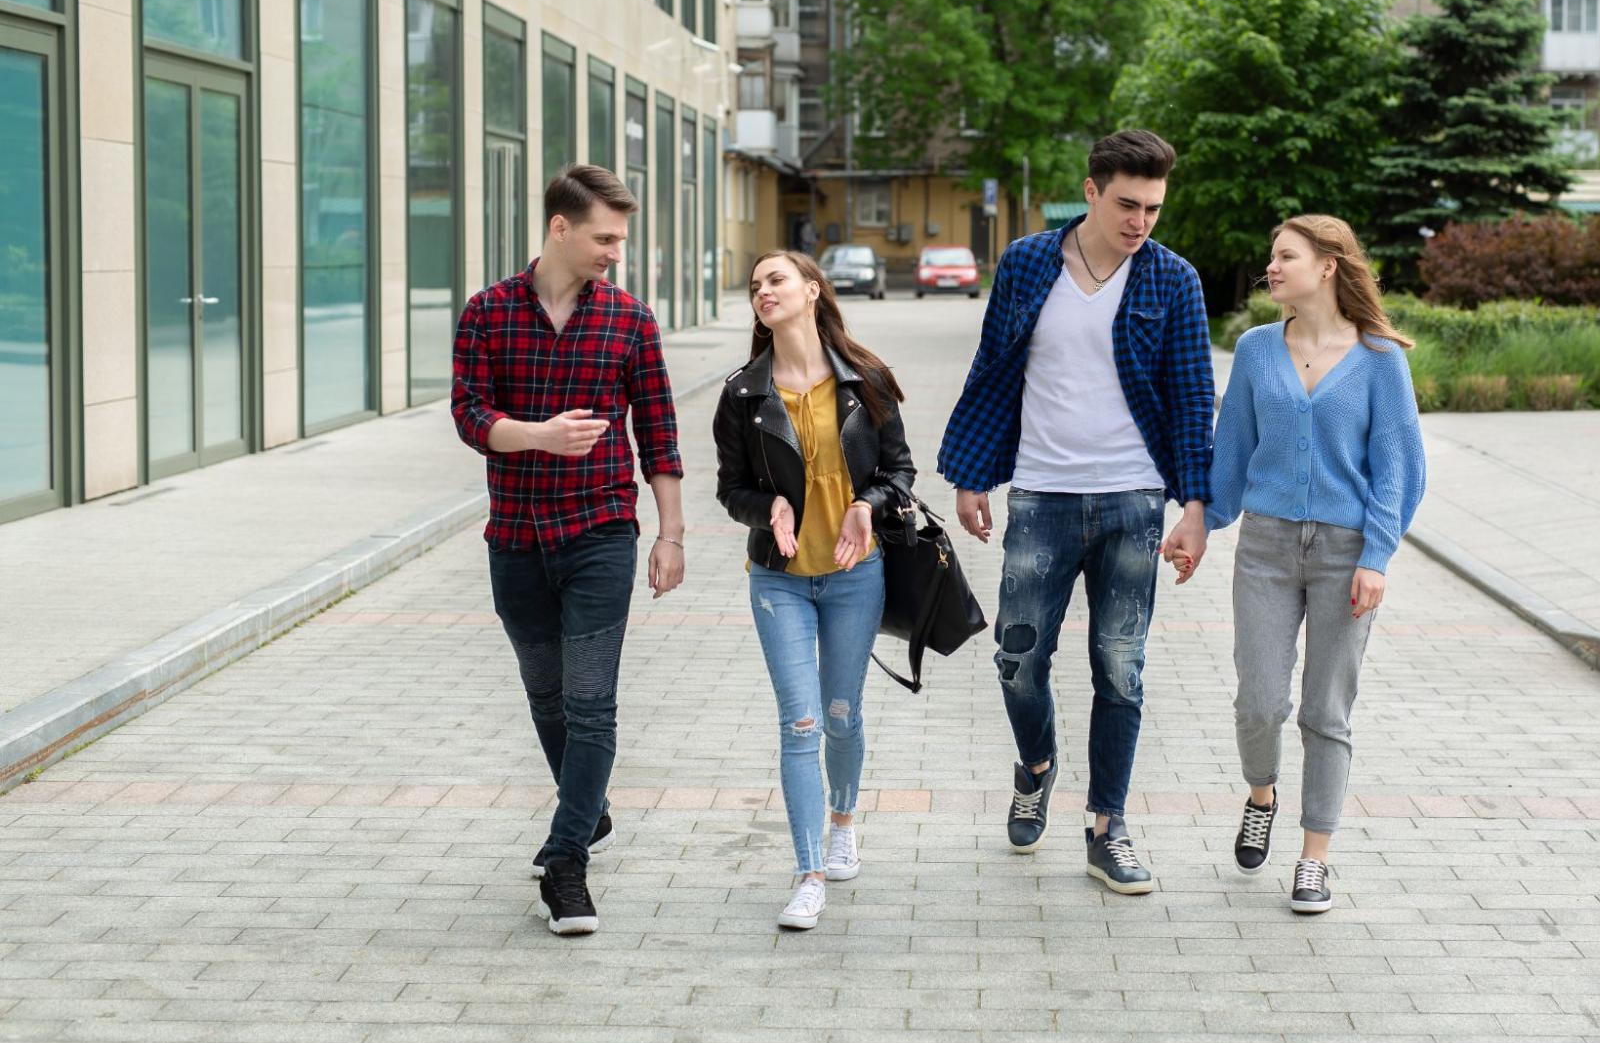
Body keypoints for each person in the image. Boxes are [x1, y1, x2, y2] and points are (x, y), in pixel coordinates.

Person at [937, 129, 1215, 896]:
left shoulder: (1172, 280)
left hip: (1134, 500)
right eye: (1127, 203)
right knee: (1017, 659)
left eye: (1154, 207)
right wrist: (969, 473)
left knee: (1118, 668)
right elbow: (993, 370)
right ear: (1090, 191)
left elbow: (1194, 400)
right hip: (1041, 496)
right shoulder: (1028, 263)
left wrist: (1194, 505)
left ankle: (1106, 826)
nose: (1140, 221)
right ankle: (1035, 764)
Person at [451, 164, 688, 938]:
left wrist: (671, 533)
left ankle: (566, 862)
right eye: (605, 236)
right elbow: (468, 413)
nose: (616, 250)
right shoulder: (487, 312)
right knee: (545, 694)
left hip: (599, 534)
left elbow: (658, 434)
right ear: (560, 228)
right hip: (515, 538)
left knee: (590, 699)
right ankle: (590, 810)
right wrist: (538, 437)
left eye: (620, 237)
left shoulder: (629, 320)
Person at [1197, 215, 1426, 915]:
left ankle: (1313, 857)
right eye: (1270, 256)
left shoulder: (1381, 357)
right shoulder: (1257, 348)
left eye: (1285, 256)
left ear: (1327, 265)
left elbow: (1398, 467)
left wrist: (1377, 555)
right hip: (1264, 546)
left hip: (1343, 553)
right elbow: (1229, 450)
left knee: (1326, 709)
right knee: (1259, 700)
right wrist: (1199, 523)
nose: (1271, 267)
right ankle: (1260, 792)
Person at [714, 250, 916, 930]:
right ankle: (805, 874)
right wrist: (764, 508)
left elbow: (900, 468)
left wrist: (869, 506)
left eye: (774, 279)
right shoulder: (743, 391)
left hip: (856, 575)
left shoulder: (865, 379)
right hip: (779, 580)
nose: (762, 291)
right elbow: (731, 486)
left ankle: (843, 821)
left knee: (840, 715)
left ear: (810, 289)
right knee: (799, 722)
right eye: (754, 286)